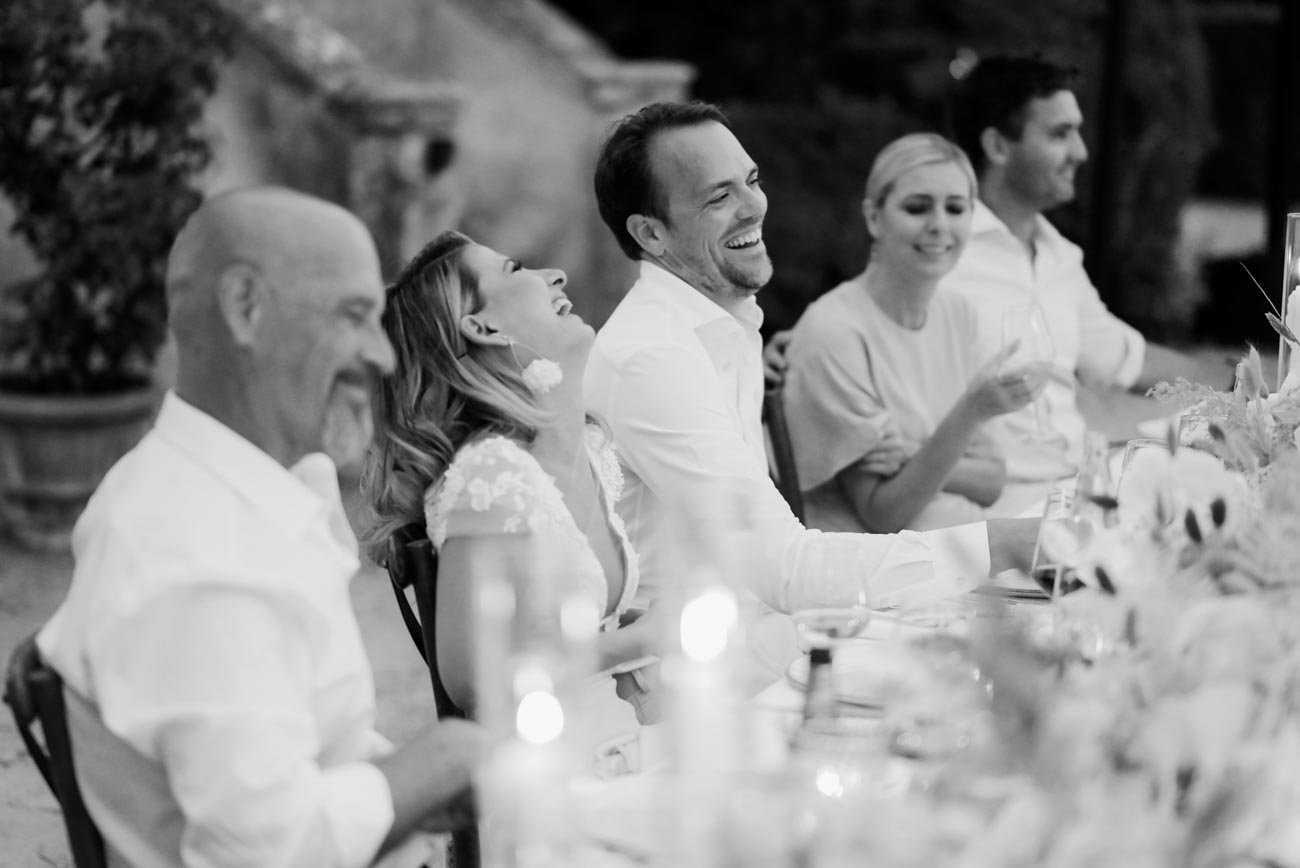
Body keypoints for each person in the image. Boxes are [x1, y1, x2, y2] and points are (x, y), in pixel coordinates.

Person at [36, 187, 486, 868]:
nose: (384, 355)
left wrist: (408, 785)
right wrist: (443, 760)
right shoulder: (202, 554)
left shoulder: (207, 489)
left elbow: (298, 749)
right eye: (353, 316)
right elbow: (264, 850)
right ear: (246, 307)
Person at [584, 102, 1038, 650]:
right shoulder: (654, 356)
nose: (754, 206)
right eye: (719, 197)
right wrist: (1004, 544)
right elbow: (789, 571)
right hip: (694, 669)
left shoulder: (723, 328)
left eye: (752, 181)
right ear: (651, 234)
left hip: (759, 637)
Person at [363, 230, 663, 766]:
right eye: (517, 269)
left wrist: (633, 629)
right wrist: (633, 645)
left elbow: (565, 623)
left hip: (622, 741)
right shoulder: (489, 475)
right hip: (546, 775)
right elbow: (472, 682)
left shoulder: (589, 449)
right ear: (483, 328)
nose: (556, 276)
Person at [782, 133, 1045, 535]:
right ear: (874, 217)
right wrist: (970, 413)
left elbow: (993, 481)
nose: (939, 225)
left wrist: (914, 457)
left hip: (963, 543)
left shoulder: (959, 315)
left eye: (955, 208)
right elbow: (883, 512)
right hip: (877, 563)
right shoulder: (835, 332)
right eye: (917, 208)